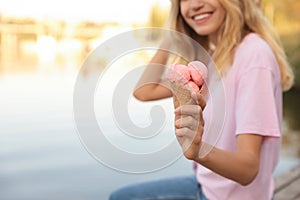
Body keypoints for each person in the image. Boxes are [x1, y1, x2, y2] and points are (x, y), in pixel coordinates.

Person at [109, 0, 294, 199]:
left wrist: (198, 151)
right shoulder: (214, 58)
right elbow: (144, 91)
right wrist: (172, 34)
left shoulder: (254, 55)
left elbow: (248, 169)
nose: (194, 5)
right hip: (208, 185)